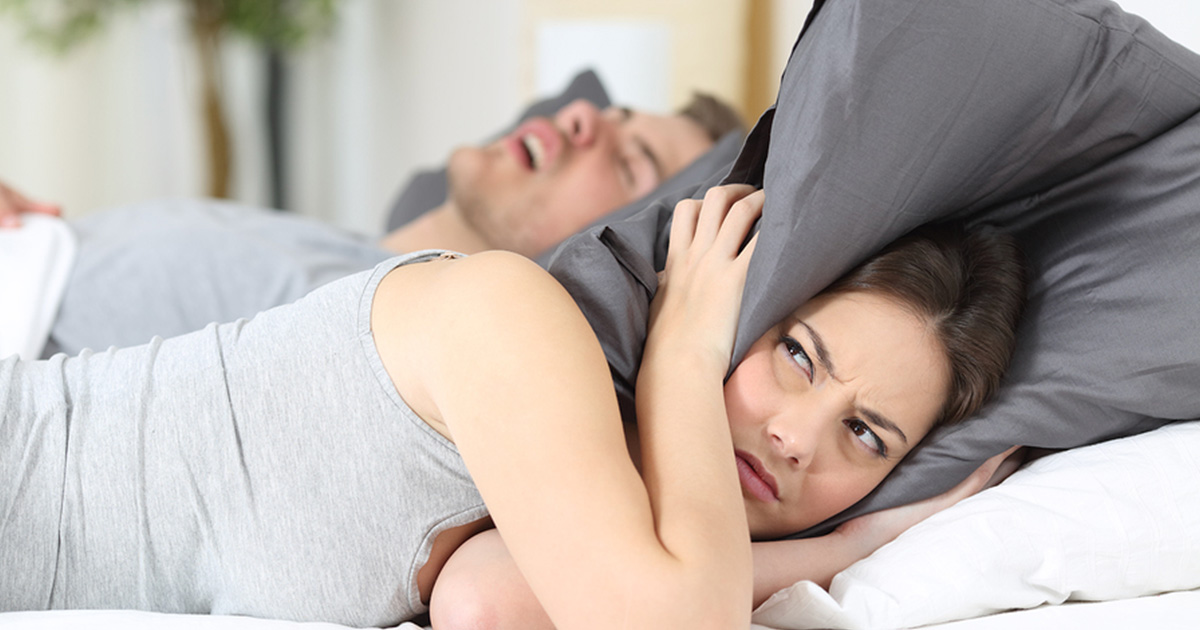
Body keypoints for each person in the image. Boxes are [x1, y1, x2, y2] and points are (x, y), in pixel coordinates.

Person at [0, 185, 1026, 628]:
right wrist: (682, 348)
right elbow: (673, 623)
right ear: (734, 302)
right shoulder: (512, 315)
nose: (795, 436)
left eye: (864, 434)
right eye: (795, 355)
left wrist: (878, 537)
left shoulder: (560, 516)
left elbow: (490, 609)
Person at [0, 92, 741, 357]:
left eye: (633, 162)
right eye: (607, 113)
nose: (583, 117)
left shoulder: (371, 335)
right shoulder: (331, 244)